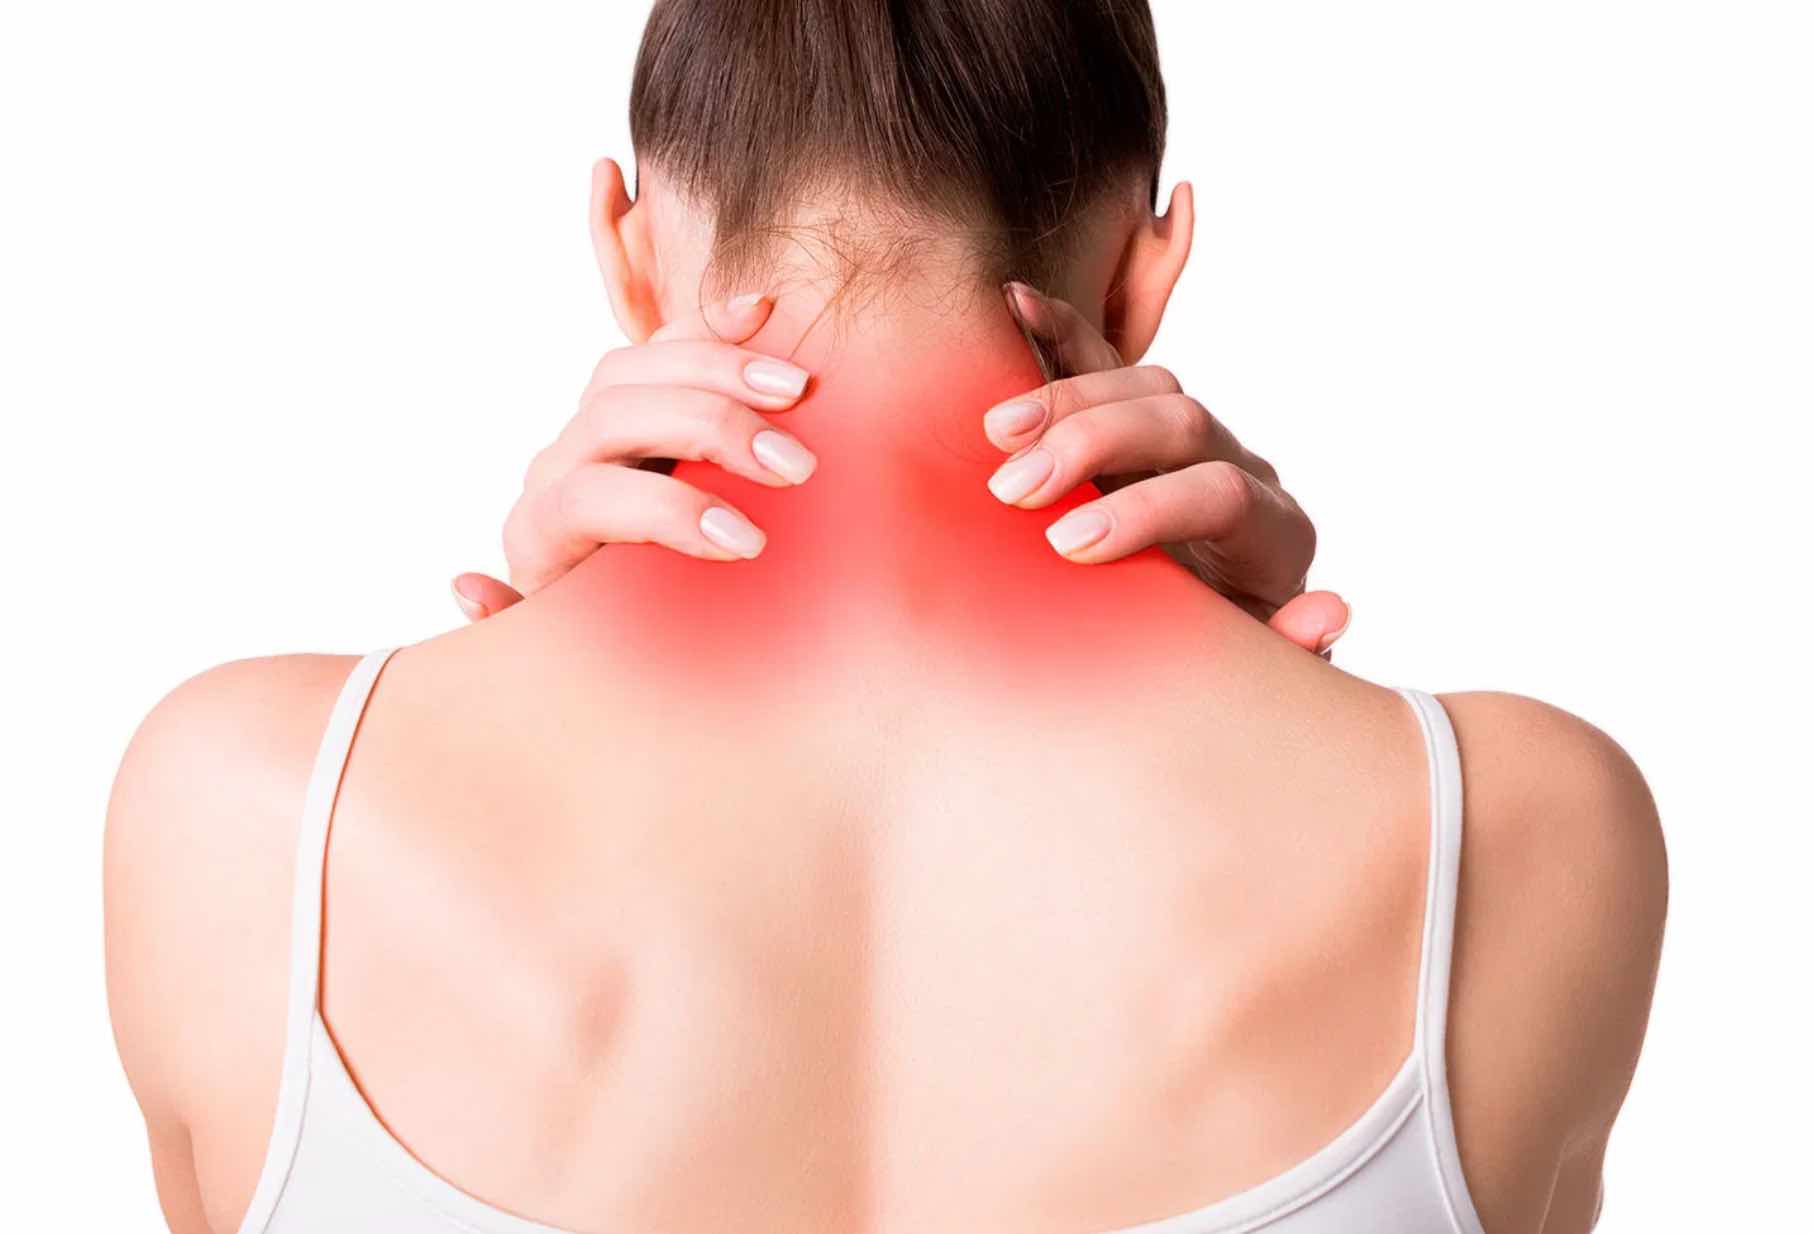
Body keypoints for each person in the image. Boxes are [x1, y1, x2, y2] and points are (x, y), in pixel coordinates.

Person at [104, 3, 1666, 1233]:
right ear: (1146, 275)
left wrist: (492, 683)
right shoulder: (1529, 830)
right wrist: (1300, 715)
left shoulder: (238, 816)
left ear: (626, 256)